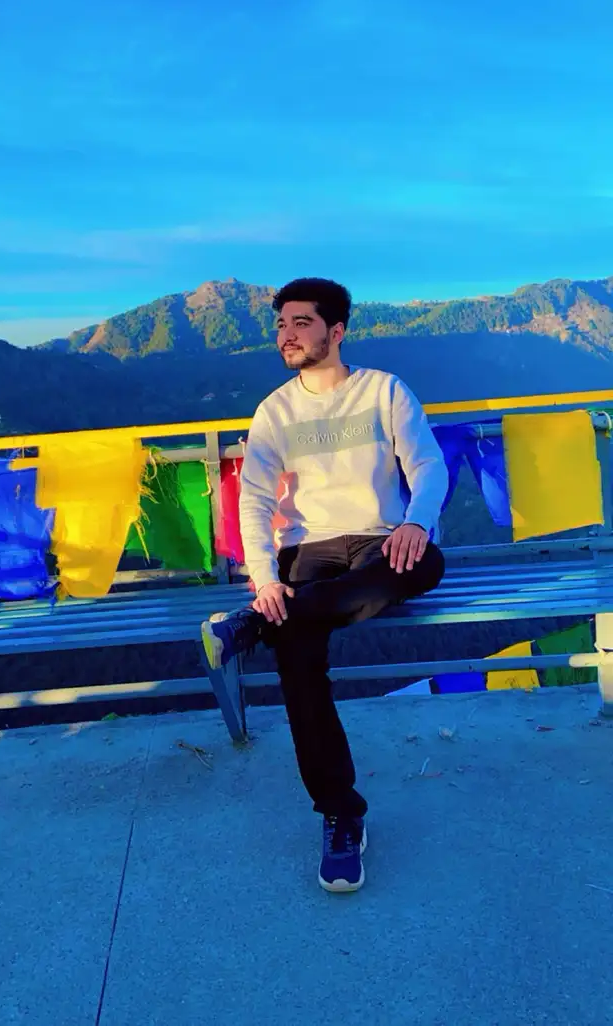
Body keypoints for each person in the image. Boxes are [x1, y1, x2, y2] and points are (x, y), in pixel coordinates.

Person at [201, 277, 448, 893]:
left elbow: (428, 464)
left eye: (301, 323)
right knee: (296, 655)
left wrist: (416, 521)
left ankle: (258, 624)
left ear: (336, 331)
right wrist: (265, 580)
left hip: (379, 540)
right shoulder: (275, 411)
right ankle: (341, 814)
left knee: (424, 563)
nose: (286, 335)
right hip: (306, 549)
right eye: (281, 324)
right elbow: (255, 502)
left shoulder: (384, 391)